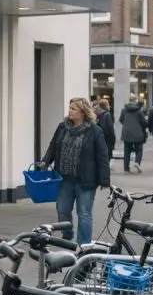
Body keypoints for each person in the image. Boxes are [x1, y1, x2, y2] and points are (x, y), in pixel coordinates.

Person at [40, 98, 110, 247]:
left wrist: (104, 179)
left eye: (74, 109)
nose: (70, 111)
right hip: (64, 178)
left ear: (83, 112)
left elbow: (102, 155)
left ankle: (83, 246)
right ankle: (67, 234)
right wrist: (45, 161)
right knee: (62, 210)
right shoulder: (62, 127)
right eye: (70, 108)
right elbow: (53, 146)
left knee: (84, 213)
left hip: (86, 180)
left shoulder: (95, 130)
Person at [118, 95, 148, 173]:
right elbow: (143, 122)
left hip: (127, 132)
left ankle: (126, 168)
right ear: (135, 101)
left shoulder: (124, 110)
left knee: (127, 150)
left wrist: (126, 124)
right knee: (139, 149)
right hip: (138, 132)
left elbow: (121, 120)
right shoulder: (139, 111)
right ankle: (137, 162)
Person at [94, 98, 116, 170]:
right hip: (107, 137)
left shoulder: (97, 113)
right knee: (107, 154)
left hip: (99, 136)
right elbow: (110, 128)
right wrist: (113, 138)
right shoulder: (107, 114)